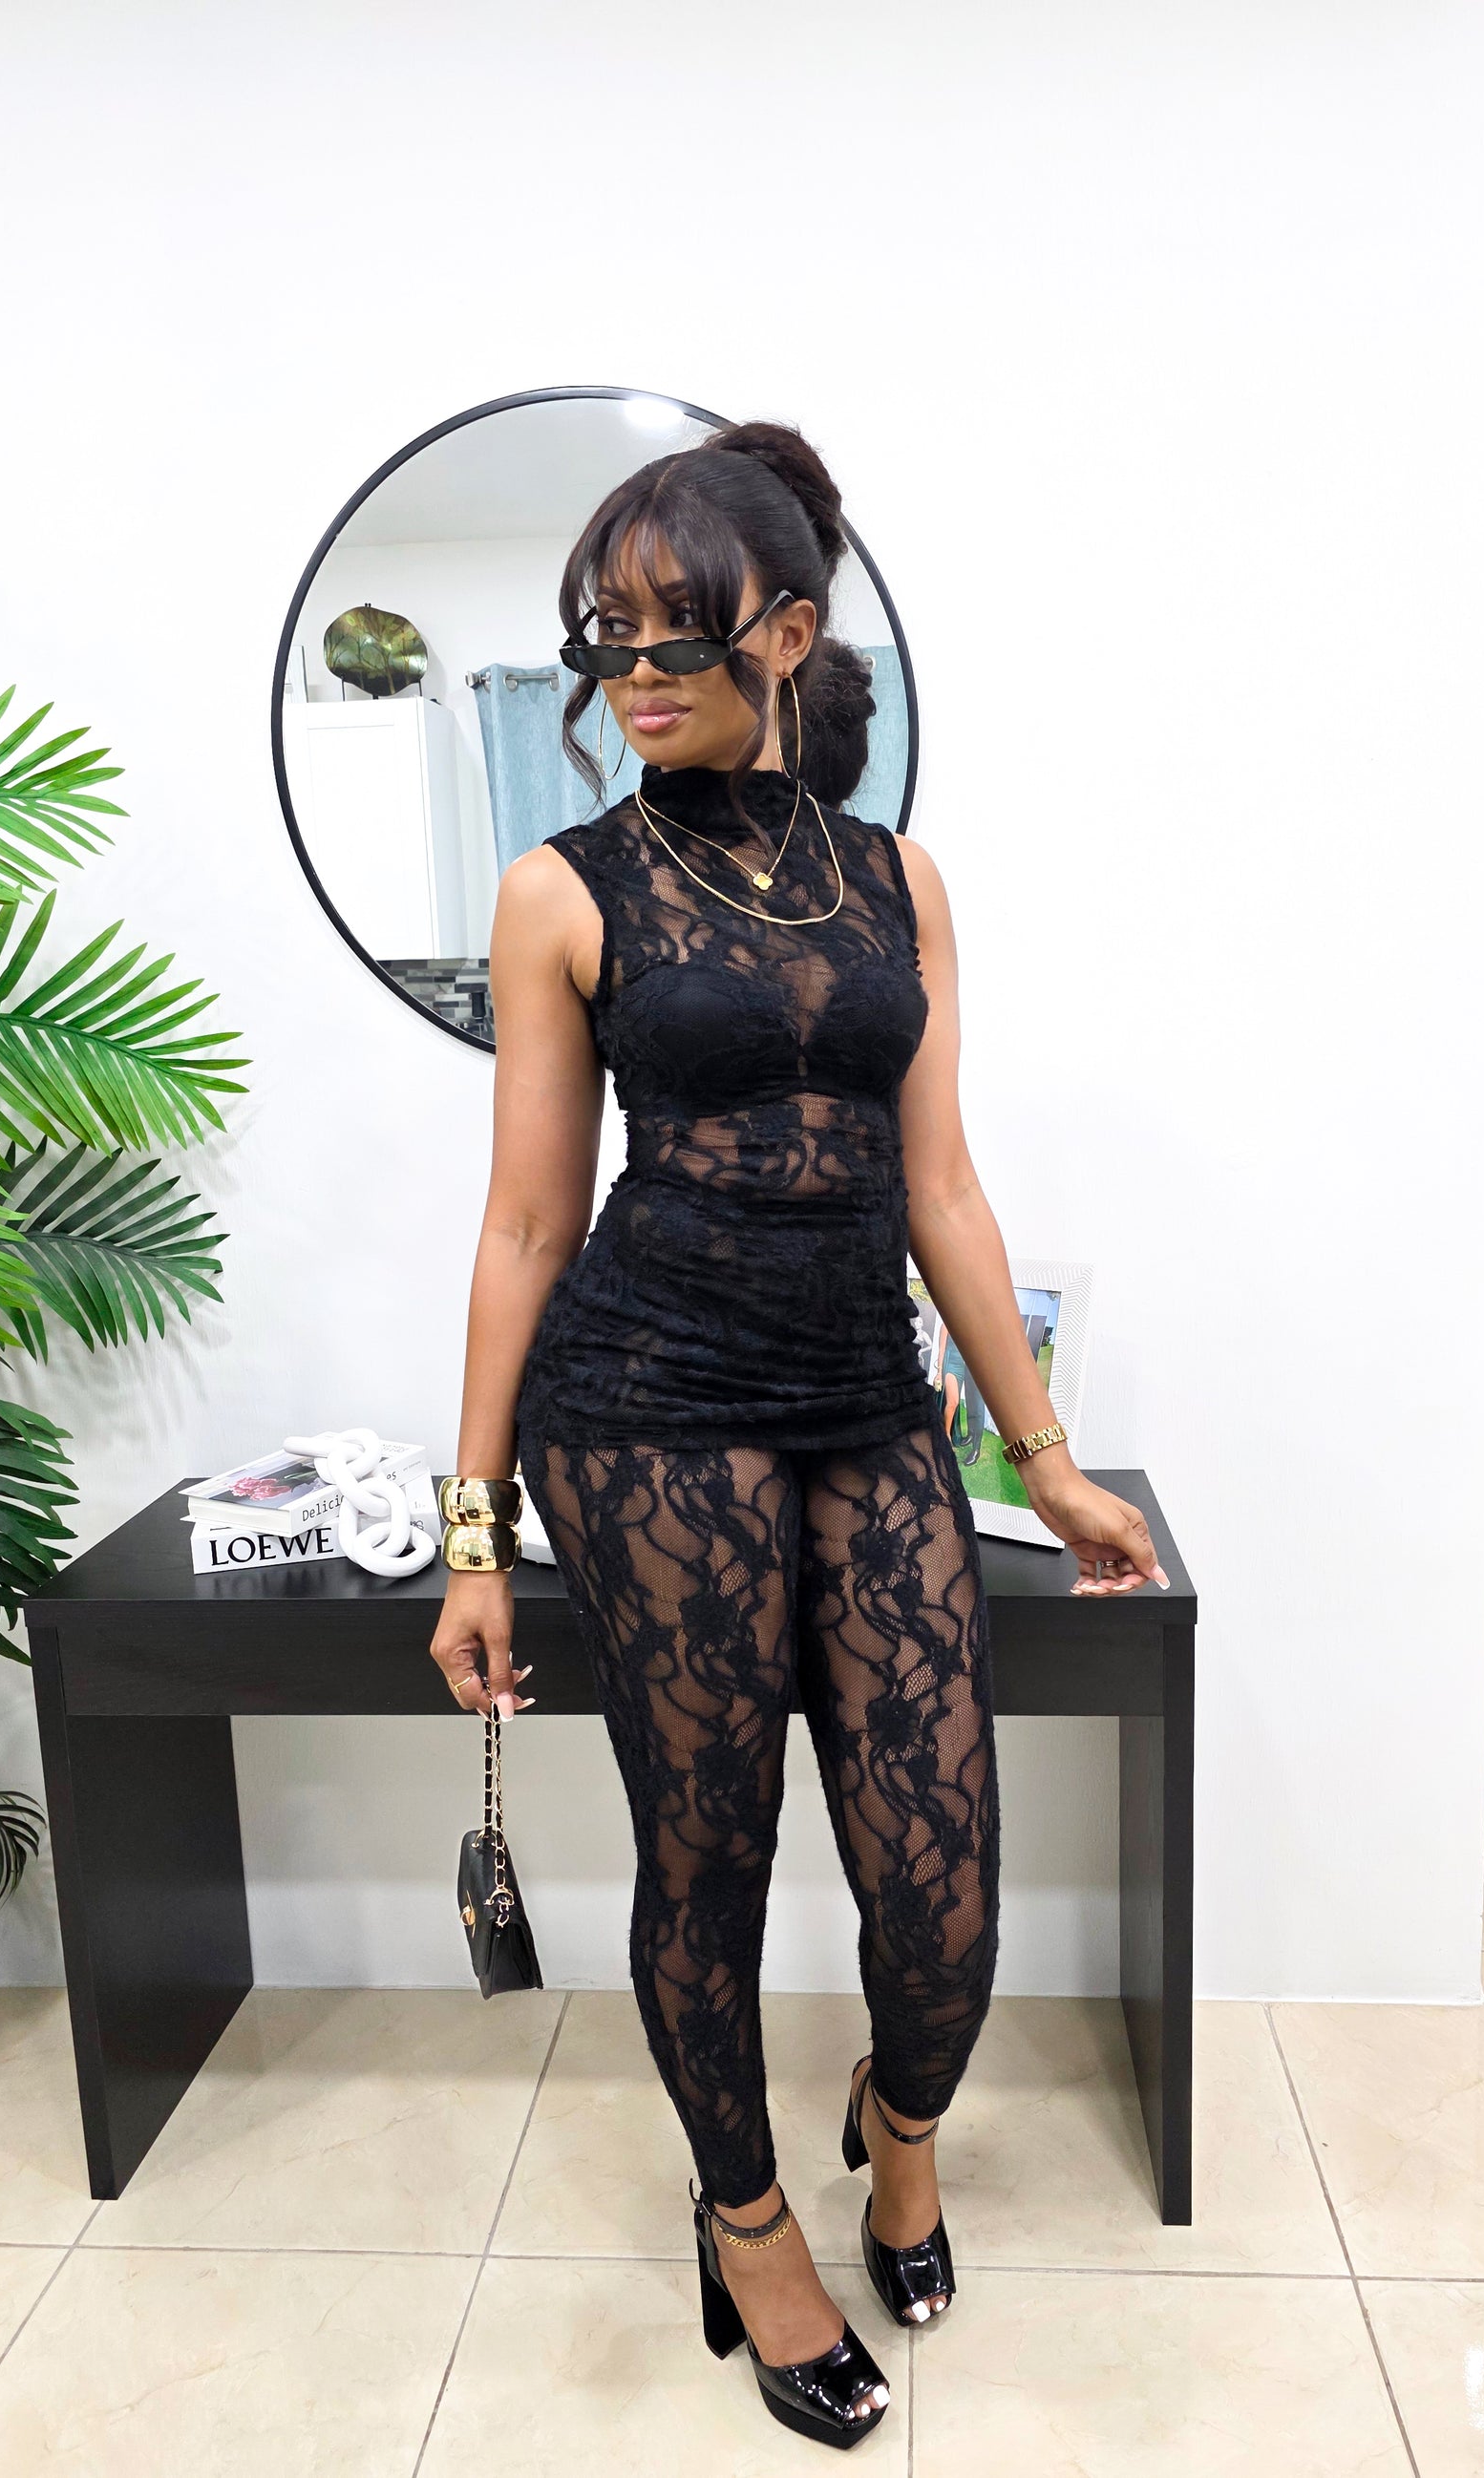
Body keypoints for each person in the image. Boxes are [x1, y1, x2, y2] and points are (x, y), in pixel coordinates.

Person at [429, 418, 1169, 2450]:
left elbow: (942, 1187)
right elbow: (523, 1223)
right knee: (713, 1848)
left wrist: (1046, 1454)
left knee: (943, 1886)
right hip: (644, 1407)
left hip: (860, 1395)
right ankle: (748, 2224)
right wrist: (473, 1528)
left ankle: (897, 2125)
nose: (632, 670)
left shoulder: (896, 878)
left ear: (786, 628)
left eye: (672, 628)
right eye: (603, 635)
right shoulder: (562, 887)